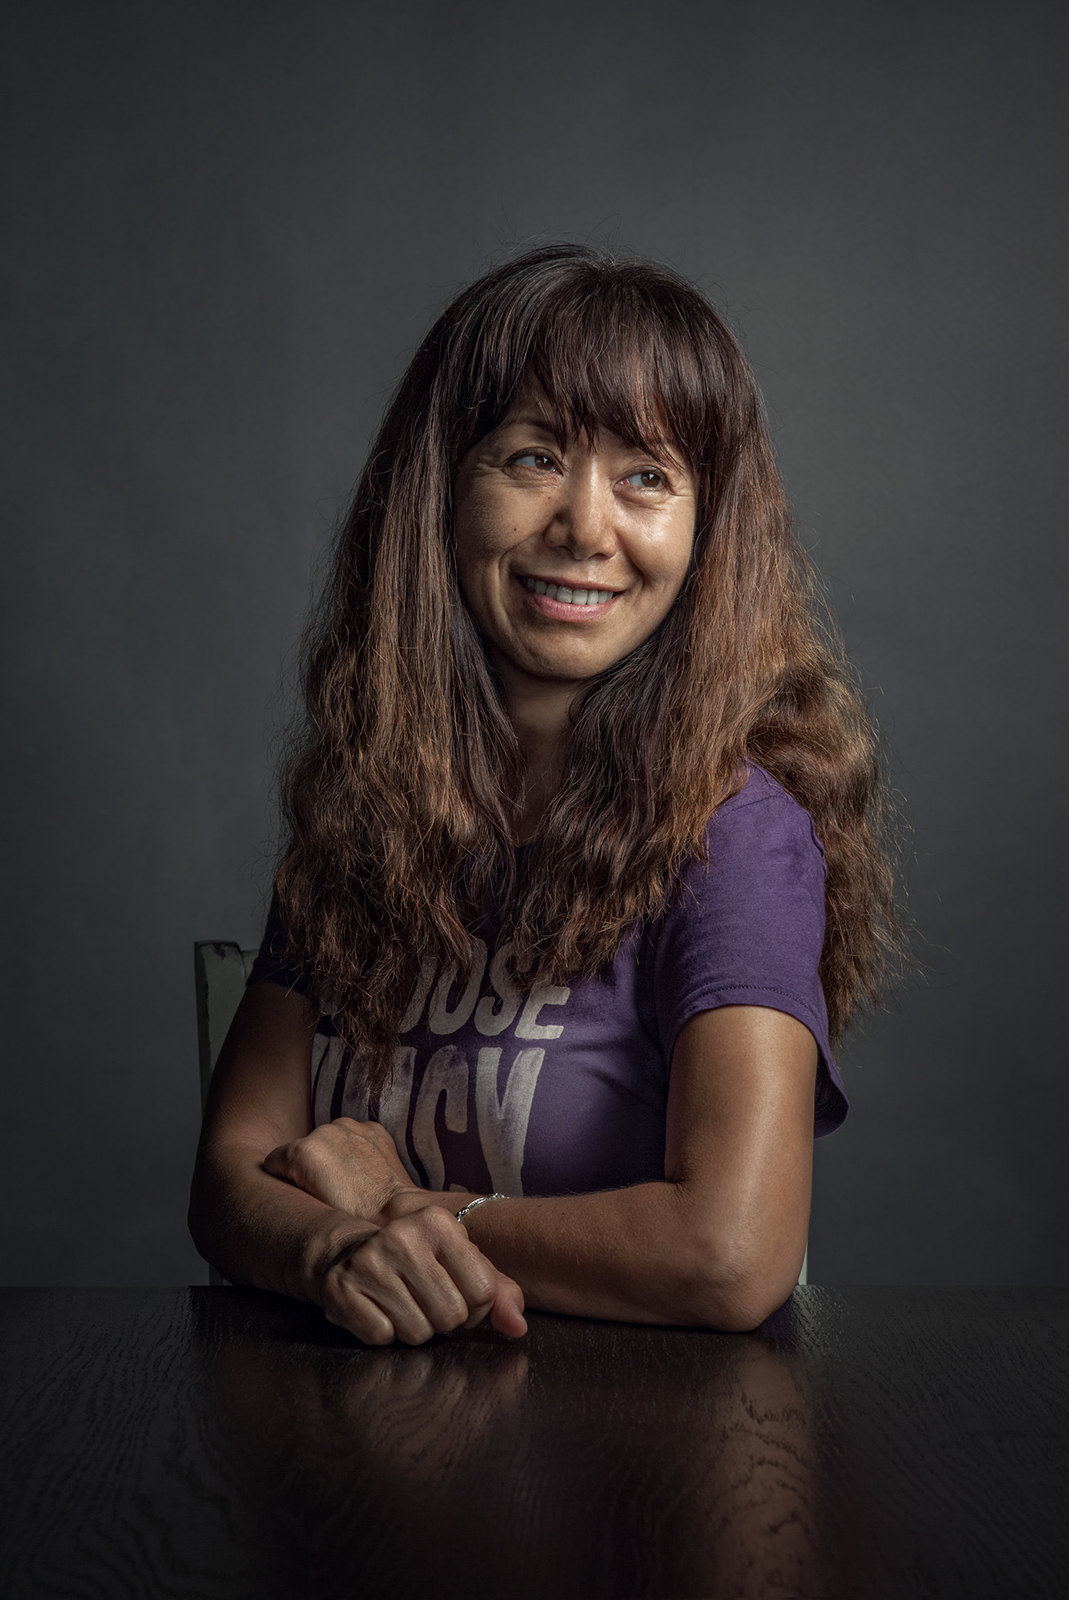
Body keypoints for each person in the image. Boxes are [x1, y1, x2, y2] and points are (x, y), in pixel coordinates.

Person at [188, 243, 906, 1347]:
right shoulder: (367, 808)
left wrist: (414, 1213)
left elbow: (731, 1253)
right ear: (444, 489)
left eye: (647, 477)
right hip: (354, 1474)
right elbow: (230, 1175)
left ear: (707, 533)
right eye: (531, 458)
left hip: (638, 1469)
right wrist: (328, 1247)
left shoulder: (734, 832)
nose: (584, 524)